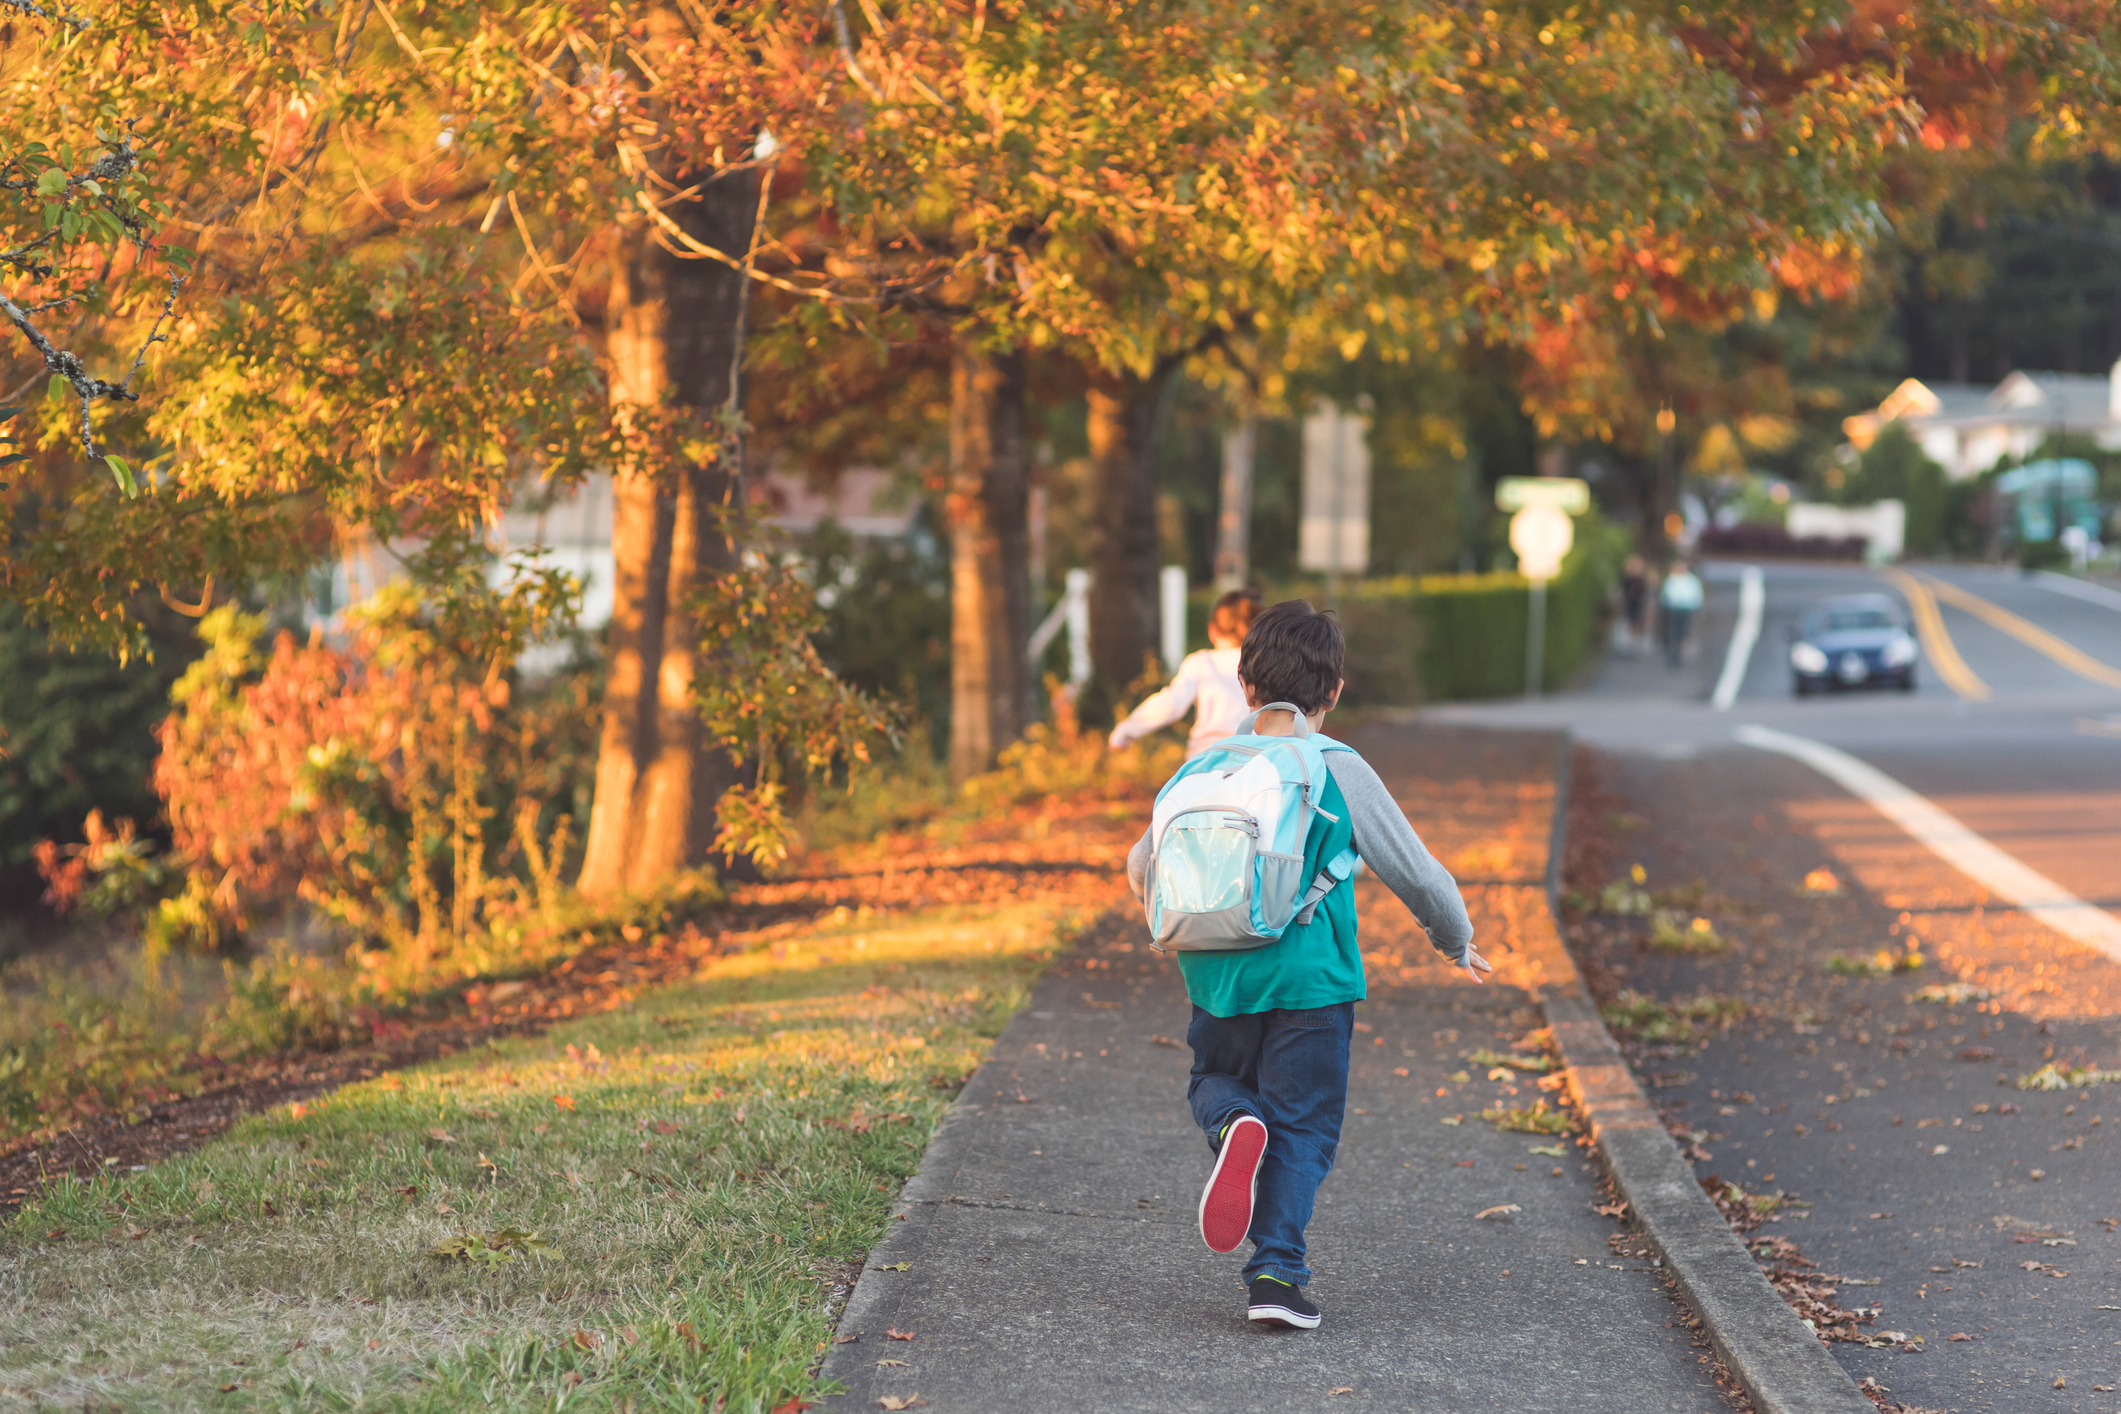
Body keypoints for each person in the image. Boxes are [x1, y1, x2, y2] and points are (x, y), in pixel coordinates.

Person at [1125, 600, 1486, 1331]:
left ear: (1245, 683)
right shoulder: (1335, 766)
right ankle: (1275, 1276)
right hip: (1311, 981)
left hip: (1215, 973)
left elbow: (1142, 863)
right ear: (1335, 690)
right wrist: (1455, 941)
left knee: (1214, 1080)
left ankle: (1232, 1126)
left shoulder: (1207, 762)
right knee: (1304, 1125)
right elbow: (1417, 875)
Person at [1107, 588, 1260, 758]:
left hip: (1205, 758)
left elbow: (1171, 703)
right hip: (1251, 758)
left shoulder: (1201, 662)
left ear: (1212, 631)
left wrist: (1126, 730)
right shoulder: (1262, 663)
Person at [1659, 559, 1703, 667]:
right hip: (1673, 609)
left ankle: (1680, 654)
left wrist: (1695, 606)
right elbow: (1665, 594)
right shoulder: (1672, 579)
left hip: (1687, 609)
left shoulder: (1691, 580)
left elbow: (1697, 595)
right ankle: (1672, 654)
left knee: (1684, 632)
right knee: (1673, 631)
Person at [1620, 554, 1649, 653]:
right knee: (1629, 623)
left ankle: (1633, 643)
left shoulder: (1641, 579)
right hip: (1628, 604)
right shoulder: (1626, 578)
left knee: (1636, 623)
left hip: (1638, 604)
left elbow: (1643, 592)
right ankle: (1628, 644)